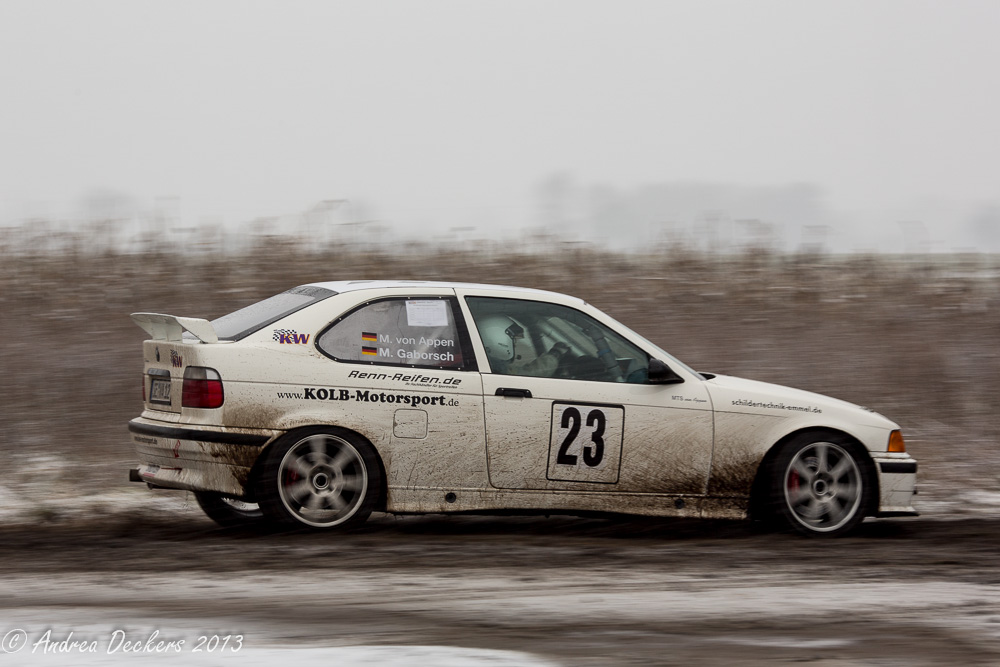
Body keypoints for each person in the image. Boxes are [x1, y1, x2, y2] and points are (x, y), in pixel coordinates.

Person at [477, 314, 568, 377]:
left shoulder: (485, 365)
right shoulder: (497, 369)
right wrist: (555, 354)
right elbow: (530, 374)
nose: (515, 345)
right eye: (513, 341)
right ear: (498, 339)